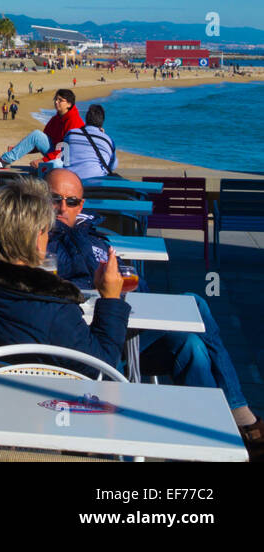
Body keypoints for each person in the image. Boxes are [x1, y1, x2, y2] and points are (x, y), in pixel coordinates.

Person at [44, 170, 263, 458]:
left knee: (192, 344)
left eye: (71, 201)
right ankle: (233, 421)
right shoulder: (40, 240)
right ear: (39, 199)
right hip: (91, 345)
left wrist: (131, 286)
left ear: (81, 205)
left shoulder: (97, 239)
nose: (62, 208)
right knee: (195, 315)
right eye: (54, 199)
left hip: (125, 331)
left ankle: (212, 441)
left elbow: (138, 286)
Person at [0, 178, 130, 371]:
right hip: (41, 404)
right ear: (38, 235)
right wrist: (111, 299)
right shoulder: (54, 310)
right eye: (47, 230)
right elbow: (102, 366)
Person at [0, 88, 83, 170]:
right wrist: (19, 149)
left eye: (60, 100)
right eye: (55, 99)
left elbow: (66, 150)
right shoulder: (56, 119)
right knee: (37, 135)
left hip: (68, 160)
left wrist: (43, 160)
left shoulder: (74, 121)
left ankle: (4, 161)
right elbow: (39, 142)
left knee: (37, 134)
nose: (56, 102)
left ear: (69, 104)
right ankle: (4, 160)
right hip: (57, 155)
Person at [61, 105, 116, 180]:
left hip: (71, 181)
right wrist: (103, 135)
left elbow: (64, 159)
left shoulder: (71, 134)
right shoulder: (108, 140)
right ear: (102, 122)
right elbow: (112, 166)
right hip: (96, 183)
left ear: (86, 119)